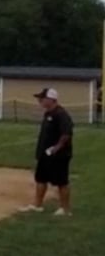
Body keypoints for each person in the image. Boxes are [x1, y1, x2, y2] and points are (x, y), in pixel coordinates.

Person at [21, 87, 75, 216]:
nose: (40, 101)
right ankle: (37, 205)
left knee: (61, 181)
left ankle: (65, 209)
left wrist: (57, 147)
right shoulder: (48, 113)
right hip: (45, 154)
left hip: (59, 155)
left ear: (51, 99)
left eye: (42, 98)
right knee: (41, 179)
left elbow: (66, 133)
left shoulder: (61, 114)